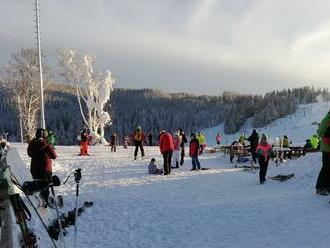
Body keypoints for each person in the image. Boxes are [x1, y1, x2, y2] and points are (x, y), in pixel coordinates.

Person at [27, 128, 57, 205]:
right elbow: (54, 156)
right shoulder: (46, 144)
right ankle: (45, 203)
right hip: (45, 170)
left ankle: (39, 202)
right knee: (45, 186)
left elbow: (29, 153)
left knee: (37, 186)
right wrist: (50, 146)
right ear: (44, 135)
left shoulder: (32, 143)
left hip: (34, 169)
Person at [316, 111, 330, 195]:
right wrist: (325, 138)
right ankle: (319, 187)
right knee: (325, 168)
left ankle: (327, 186)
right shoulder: (326, 120)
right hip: (326, 148)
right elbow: (320, 132)